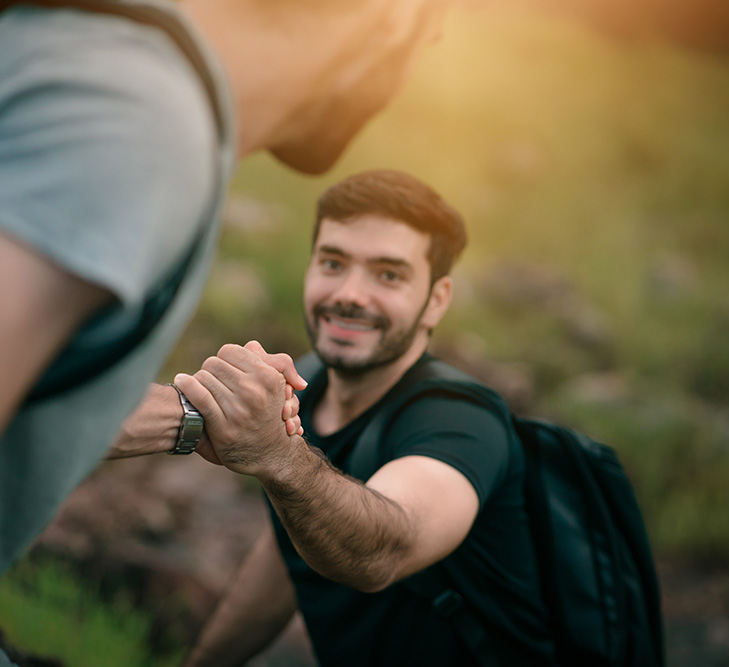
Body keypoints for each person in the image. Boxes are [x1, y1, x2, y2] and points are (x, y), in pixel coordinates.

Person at [0, 1, 452, 665]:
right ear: (394, 20)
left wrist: (195, 415)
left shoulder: (92, 56)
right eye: (431, 39)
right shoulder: (142, 119)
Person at [176, 170, 554, 667]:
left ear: (436, 300)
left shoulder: (463, 420)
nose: (350, 294)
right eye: (333, 263)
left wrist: (278, 457)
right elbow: (285, 554)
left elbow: (383, 555)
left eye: (388, 275)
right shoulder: (306, 383)